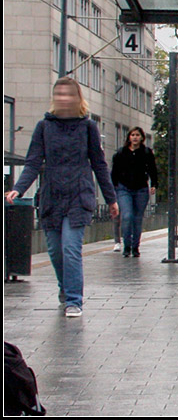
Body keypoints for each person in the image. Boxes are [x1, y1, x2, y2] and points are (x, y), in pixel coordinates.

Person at [5, 77, 119, 317]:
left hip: (79, 195)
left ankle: (74, 300)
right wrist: (19, 188)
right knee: (55, 251)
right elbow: (33, 162)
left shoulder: (88, 127)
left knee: (70, 248)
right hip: (52, 196)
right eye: (59, 94)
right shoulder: (44, 127)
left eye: (68, 94)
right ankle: (65, 289)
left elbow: (99, 165)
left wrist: (111, 199)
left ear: (77, 98)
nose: (63, 98)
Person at [110, 126, 158, 257]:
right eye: (132, 135)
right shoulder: (121, 153)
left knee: (137, 219)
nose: (135, 137)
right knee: (127, 216)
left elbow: (153, 170)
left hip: (141, 189)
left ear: (142, 137)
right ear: (129, 137)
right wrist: (113, 188)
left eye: (137, 135)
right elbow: (114, 172)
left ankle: (135, 247)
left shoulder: (147, 153)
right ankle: (127, 245)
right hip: (124, 188)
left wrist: (154, 184)